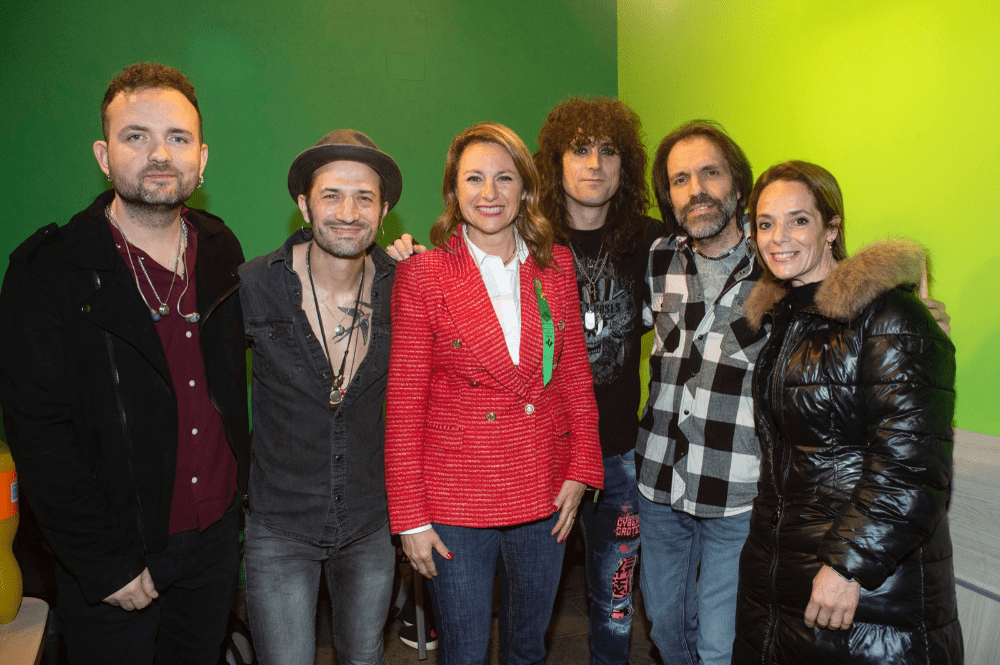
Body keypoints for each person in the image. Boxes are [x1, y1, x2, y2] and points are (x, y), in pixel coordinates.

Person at [637, 121, 953, 665]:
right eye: (680, 179)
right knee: (671, 632)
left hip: (741, 495)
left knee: (719, 646)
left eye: (710, 172)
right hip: (679, 487)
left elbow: (910, 457)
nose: (696, 189)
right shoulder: (672, 263)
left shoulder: (781, 280)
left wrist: (918, 320)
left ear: (738, 184)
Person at [0, 62, 248, 665]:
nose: (159, 154)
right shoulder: (48, 270)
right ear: (104, 156)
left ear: (202, 159)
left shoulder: (222, 248)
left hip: (215, 541)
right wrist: (102, 562)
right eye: (136, 136)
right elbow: (37, 431)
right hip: (116, 554)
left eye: (178, 138)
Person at [385, 121, 604, 665]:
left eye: (504, 178)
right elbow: (404, 405)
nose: (490, 192)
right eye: (474, 178)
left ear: (525, 188)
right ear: (453, 190)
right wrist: (410, 518)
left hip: (544, 488)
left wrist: (581, 469)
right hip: (455, 498)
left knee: (528, 647)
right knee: (464, 652)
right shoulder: (423, 275)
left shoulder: (555, 267)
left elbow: (575, 378)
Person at [733, 161, 962, 663]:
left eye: (798, 220)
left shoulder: (889, 315)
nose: (778, 237)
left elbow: (912, 465)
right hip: (786, 573)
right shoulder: (787, 320)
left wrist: (847, 567)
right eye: (765, 223)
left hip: (868, 588)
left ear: (832, 228)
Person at [238, 130, 402, 665]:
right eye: (331, 195)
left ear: (384, 211)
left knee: (365, 657)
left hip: (369, 522)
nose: (348, 212)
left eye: (364, 198)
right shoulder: (255, 284)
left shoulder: (406, 287)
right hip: (279, 524)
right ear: (305, 206)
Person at [533, 97, 663, 665]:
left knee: (615, 604)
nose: (594, 163)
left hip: (618, 455)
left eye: (608, 151)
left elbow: (739, 261)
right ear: (555, 162)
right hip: (542, 453)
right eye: (579, 149)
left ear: (624, 165)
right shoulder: (526, 240)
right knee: (531, 604)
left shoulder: (653, 242)